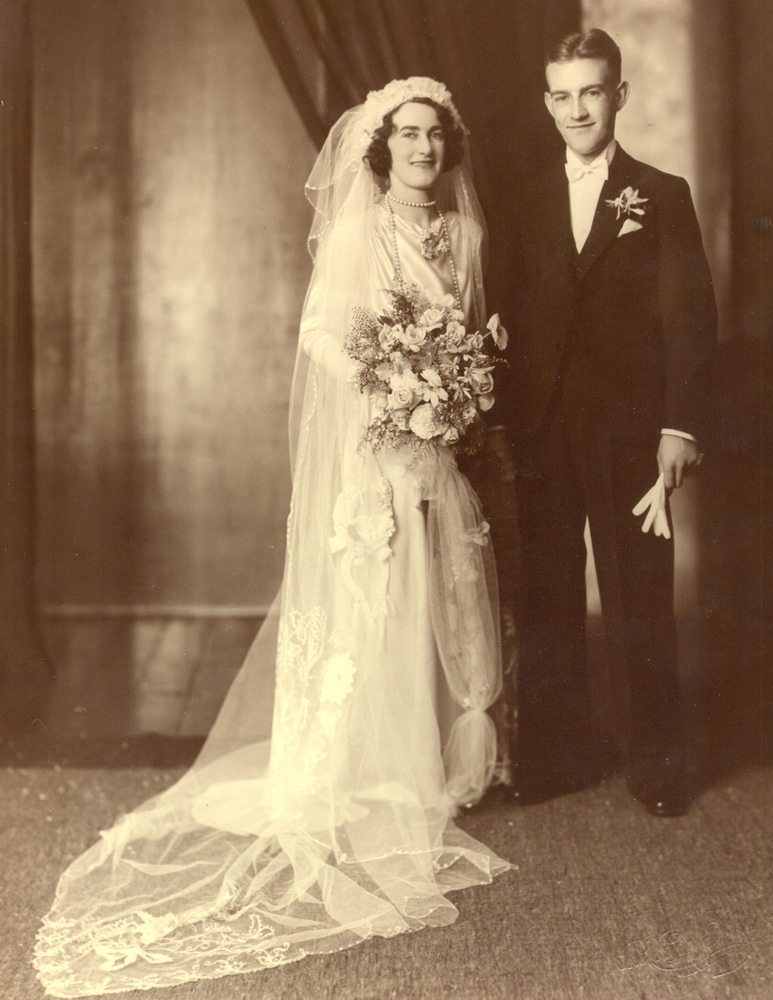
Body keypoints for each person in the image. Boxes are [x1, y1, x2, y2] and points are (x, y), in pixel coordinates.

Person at [34, 78, 511, 997]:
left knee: (435, 592)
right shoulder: (356, 231)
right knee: (373, 600)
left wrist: (448, 387)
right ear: (382, 149)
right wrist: (393, 385)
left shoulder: (468, 232)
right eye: (406, 135)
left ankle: (425, 765)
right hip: (377, 444)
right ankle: (364, 769)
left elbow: (468, 331)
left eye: (432, 136)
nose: (420, 149)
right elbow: (321, 335)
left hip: (435, 446)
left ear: (447, 146)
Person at [497, 30, 717, 816]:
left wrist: (679, 426)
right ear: (545, 101)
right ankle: (557, 755)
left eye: (591, 91)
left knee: (637, 595)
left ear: (618, 95)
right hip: (541, 428)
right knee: (547, 594)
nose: (576, 108)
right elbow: (506, 308)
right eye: (561, 94)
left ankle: (656, 762)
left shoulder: (660, 194)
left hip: (628, 429)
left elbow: (690, 322)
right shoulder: (521, 197)